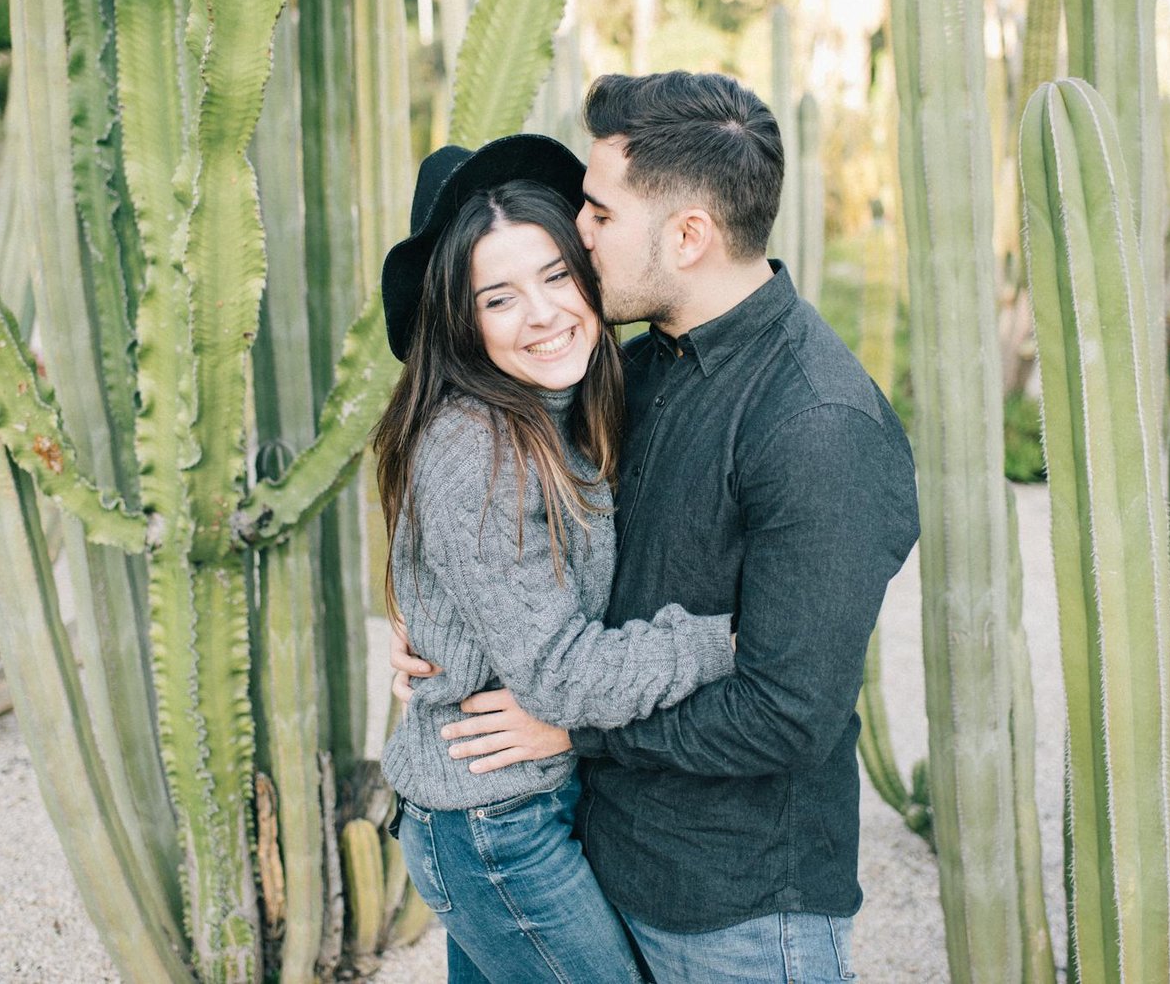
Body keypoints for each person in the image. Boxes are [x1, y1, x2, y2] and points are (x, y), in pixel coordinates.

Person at [393, 72, 921, 983]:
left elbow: (787, 713)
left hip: (737, 907)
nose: (579, 231)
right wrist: (438, 623)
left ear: (687, 235)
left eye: (596, 215)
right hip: (594, 849)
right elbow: (489, 509)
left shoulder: (817, 423)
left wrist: (569, 731)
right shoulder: (625, 373)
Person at [373, 133, 739, 984]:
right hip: (492, 824)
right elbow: (561, 679)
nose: (541, 314)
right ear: (461, 324)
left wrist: (429, 628)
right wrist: (724, 641)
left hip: (519, 803)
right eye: (498, 298)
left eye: (554, 276)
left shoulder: (561, 408)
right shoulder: (478, 443)